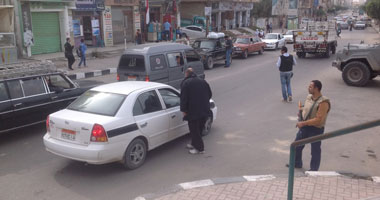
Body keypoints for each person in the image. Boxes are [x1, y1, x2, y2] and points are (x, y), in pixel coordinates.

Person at [293, 80, 331, 171]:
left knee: (315, 151)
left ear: (316, 88)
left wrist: (303, 123)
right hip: (305, 127)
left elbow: (318, 120)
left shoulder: (323, 103)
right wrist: (301, 112)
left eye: (310, 87)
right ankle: (297, 163)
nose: (308, 88)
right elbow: (306, 108)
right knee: (296, 145)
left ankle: (314, 170)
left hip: (316, 129)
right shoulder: (309, 97)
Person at [180, 68, 212, 154]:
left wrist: (184, 110)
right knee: (199, 129)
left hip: (193, 112)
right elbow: (209, 94)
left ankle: (200, 149)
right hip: (204, 110)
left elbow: (183, 98)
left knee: (194, 130)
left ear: (186, 74)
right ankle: (194, 144)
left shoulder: (186, 83)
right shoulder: (203, 81)